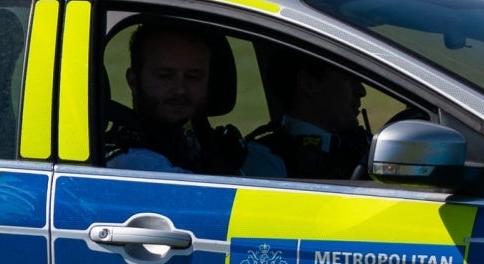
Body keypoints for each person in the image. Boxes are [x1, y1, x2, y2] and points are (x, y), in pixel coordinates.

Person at [103, 23, 284, 178]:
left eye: (193, 77)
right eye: (165, 76)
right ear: (133, 81)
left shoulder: (228, 151)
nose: (180, 89)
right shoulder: (130, 163)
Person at [247, 53, 371, 182]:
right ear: (308, 84)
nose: (361, 91)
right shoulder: (265, 162)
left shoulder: (357, 143)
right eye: (348, 78)